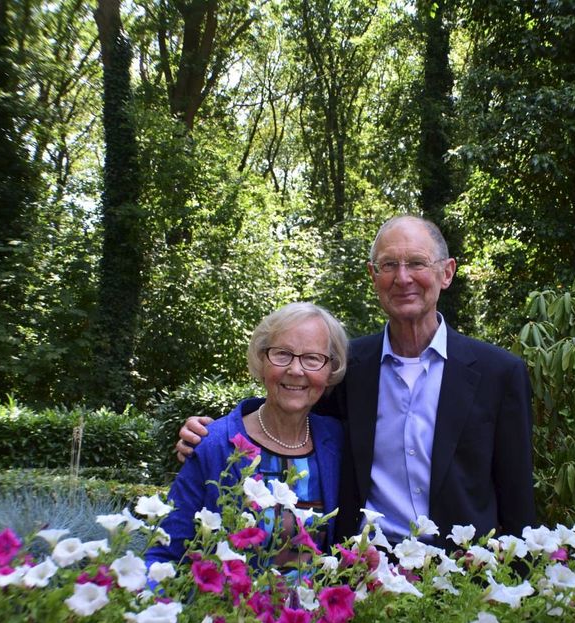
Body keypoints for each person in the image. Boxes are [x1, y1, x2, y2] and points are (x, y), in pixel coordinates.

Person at [177, 216, 535, 547]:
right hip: (364, 575)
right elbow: (293, 405)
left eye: (417, 263)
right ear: (373, 275)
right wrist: (218, 433)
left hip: (463, 580)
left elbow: (517, 500)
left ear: (447, 272)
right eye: (389, 265)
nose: (403, 278)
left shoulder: (498, 374)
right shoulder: (348, 366)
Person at [147, 302, 349, 567]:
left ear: (330, 369)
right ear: (261, 359)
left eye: (312, 358)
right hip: (228, 607)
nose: (296, 370)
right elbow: (165, 553)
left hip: (315, 607)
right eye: (282, 354)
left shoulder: (338, 442)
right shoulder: (215, 445)